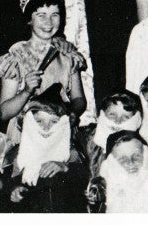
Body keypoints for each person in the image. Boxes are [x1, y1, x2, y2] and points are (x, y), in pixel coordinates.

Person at [0, 0, 87, 137]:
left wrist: (71, 113)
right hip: (25, 135)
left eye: (54, 15)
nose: (49, 22)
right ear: (29, 19)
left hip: (59, 131)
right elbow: (3, 113)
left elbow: (79, 99)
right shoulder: (16, 58)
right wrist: (26, 91)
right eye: (41, 15)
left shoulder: (67, 56)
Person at [8, 83, 89, 212]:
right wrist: (16, 190)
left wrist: (65, 167)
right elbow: (13, 183)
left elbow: (87, 179)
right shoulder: (20, 153)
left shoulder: (71, 151)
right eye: (39, 121)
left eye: (54, 121)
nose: (46, 128)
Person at [90, 131, 148, 213]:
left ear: (146, 155)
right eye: (123, 159)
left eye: (136, 156)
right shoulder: (100, 193)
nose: (130, 163)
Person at [83, 90, 144, 179]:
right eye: (112, 115)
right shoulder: (84, 144)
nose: (118, 121)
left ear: (137, 121)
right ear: (101, 115)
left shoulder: (143, 154)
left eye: (126, 117)